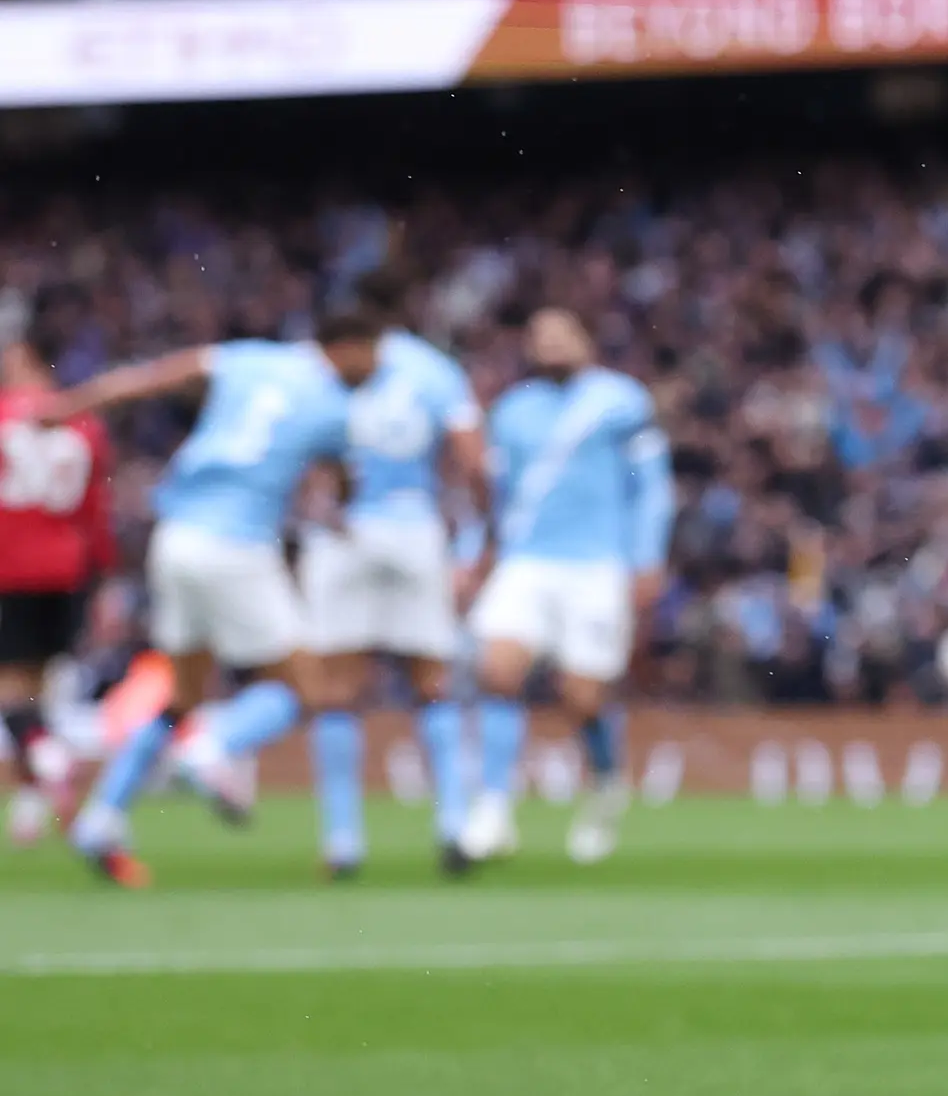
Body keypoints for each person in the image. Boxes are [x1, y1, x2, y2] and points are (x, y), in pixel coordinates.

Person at [48, 310, 385, 886]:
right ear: (346, 347)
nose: (376, 368)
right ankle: (215, 746)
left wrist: (70, 405)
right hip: (238, 545)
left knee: (183, 694)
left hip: (175, 537)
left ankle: (102, 818)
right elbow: (344, 477)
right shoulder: (334, 406)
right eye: (373, 353)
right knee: (311, 690)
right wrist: (345, 508)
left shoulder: (248, 358)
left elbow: (149, 377)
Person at [459, 306, 671, 873]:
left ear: (585, 339)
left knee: (581, 697)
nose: (552, 343)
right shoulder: (512, 410)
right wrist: (471, 555)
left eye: (563, 333)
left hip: (596, 564)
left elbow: (650, 487)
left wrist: (647, 557)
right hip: (526, 561)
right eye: (541, 334)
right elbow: (494, 497)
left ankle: (605, 785)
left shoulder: (621, 401)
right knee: (499, 672)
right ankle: (493, 811)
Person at [300, 295, 488, 877]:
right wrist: (474, 542)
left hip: (343, 533)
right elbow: (473, 461)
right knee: (431, 683)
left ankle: (343, 840)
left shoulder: (320, 367)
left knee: (336, 689)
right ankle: (455, 824)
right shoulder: (436, 371)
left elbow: (307, 456)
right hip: (414, 527)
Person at [0, 337, 117, 847]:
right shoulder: (85, 423)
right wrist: (105, 573)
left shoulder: (4, 416)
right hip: (66, 567)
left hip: (10, 564)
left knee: (11, 690)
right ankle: (29, 804)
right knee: (36, 687)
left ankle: (50, 756)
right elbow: (95, 509)